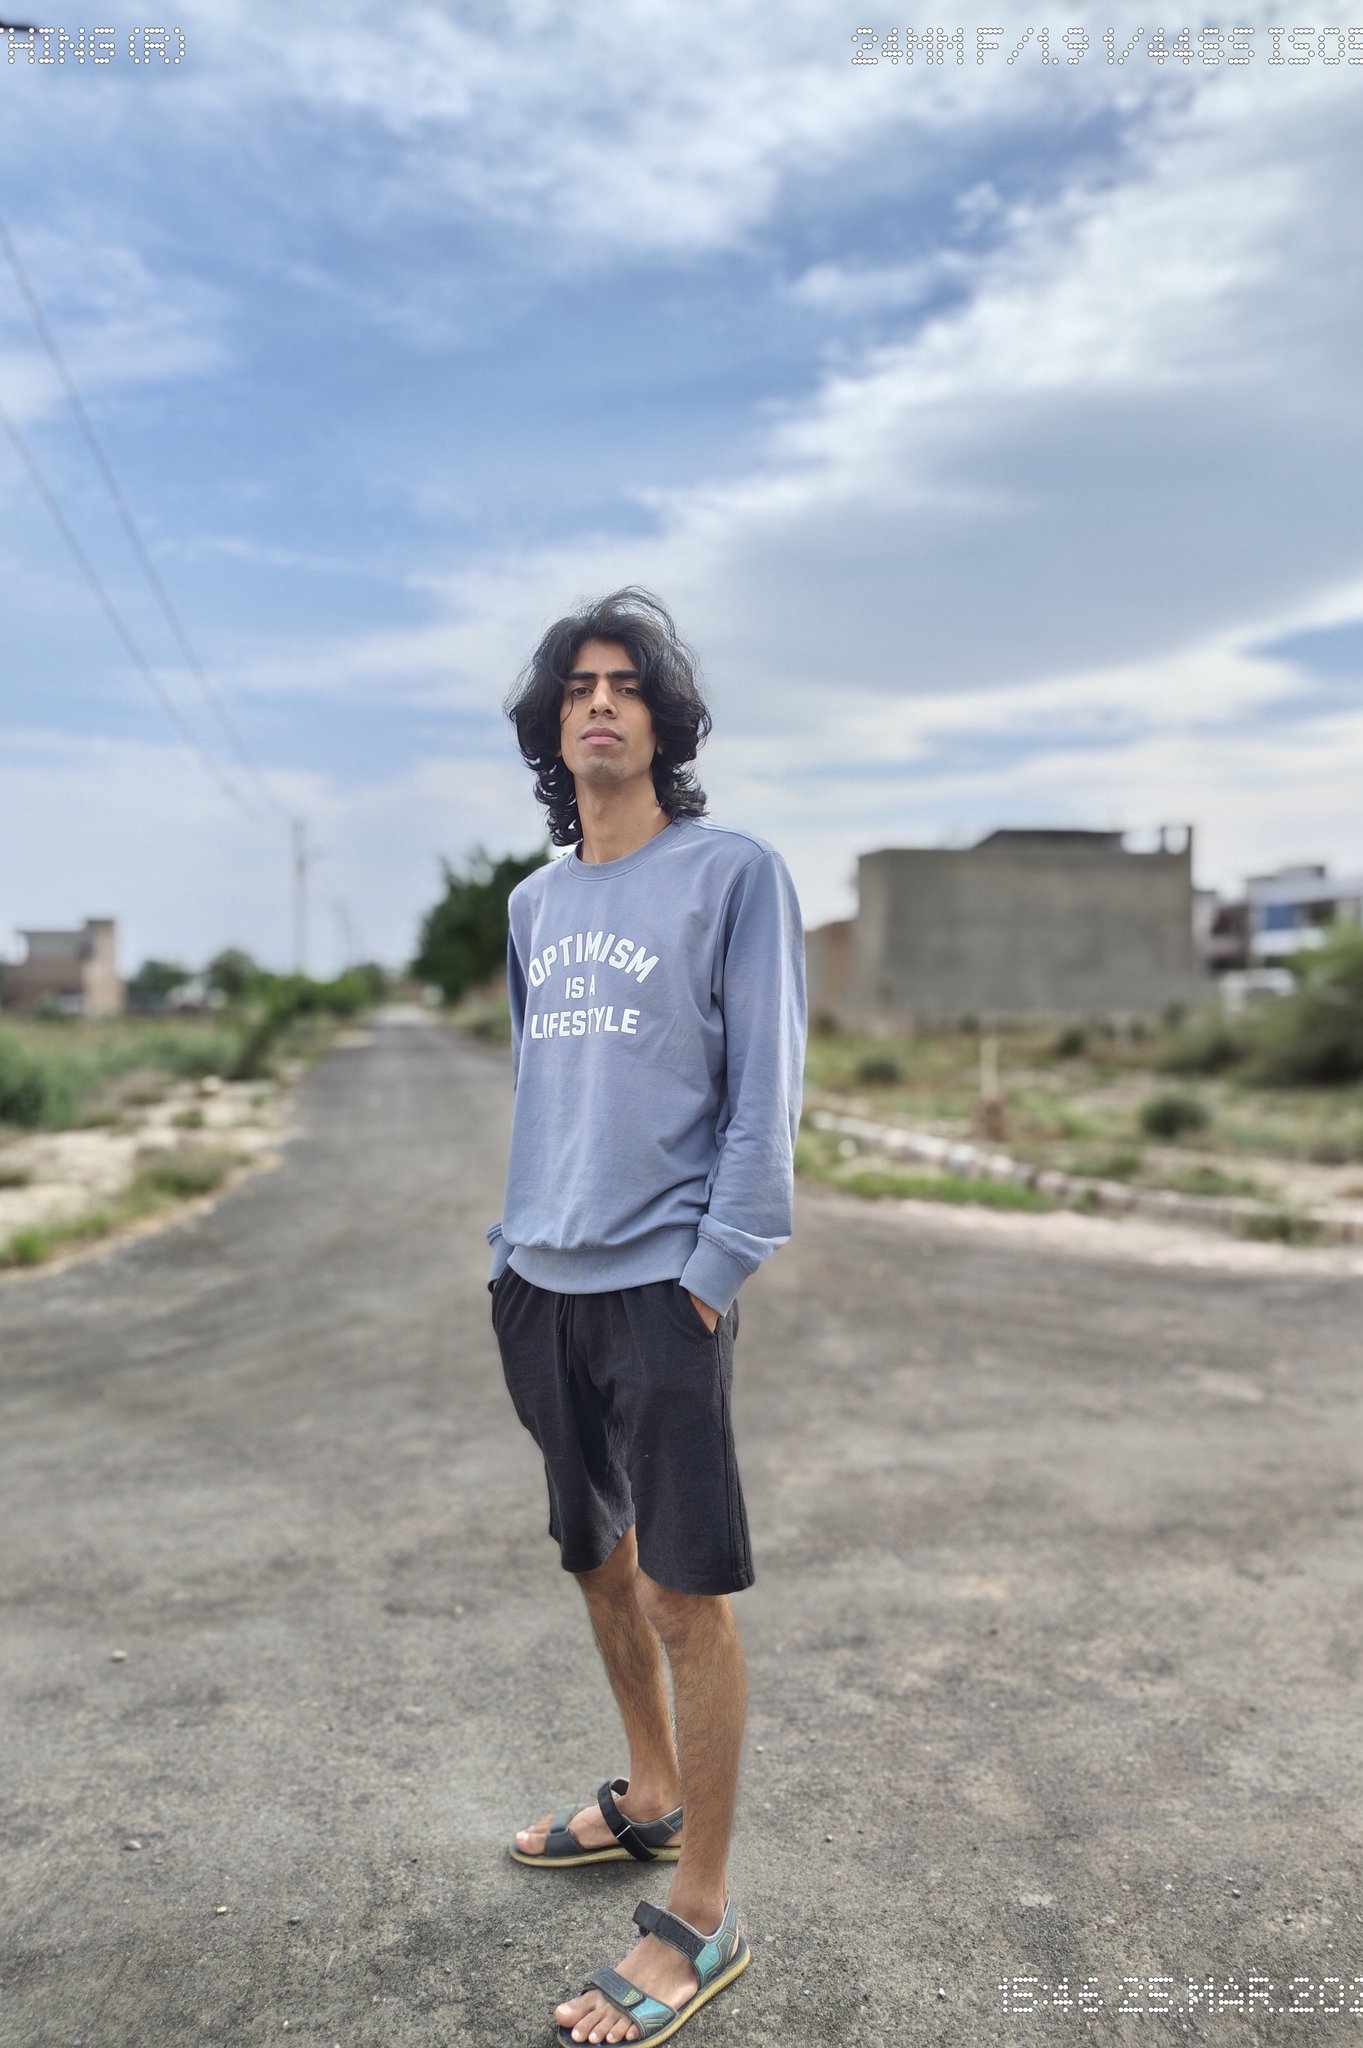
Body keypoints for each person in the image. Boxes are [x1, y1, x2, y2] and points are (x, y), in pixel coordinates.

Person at [485, 586, 807, 2046]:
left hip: (663, 1289)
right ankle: (652, 1792)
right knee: (596, 1557)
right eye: (577, 689)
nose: (601, 703)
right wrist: (509, 1252)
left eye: (625, 685)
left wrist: (714, 1270)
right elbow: (541, 1086)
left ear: (664, 723)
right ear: (552, 731)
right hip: (538, 1285)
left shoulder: (731, 875)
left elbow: (763, 1093)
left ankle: (701, 1912)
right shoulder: (532, 906)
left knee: (684, 1594)